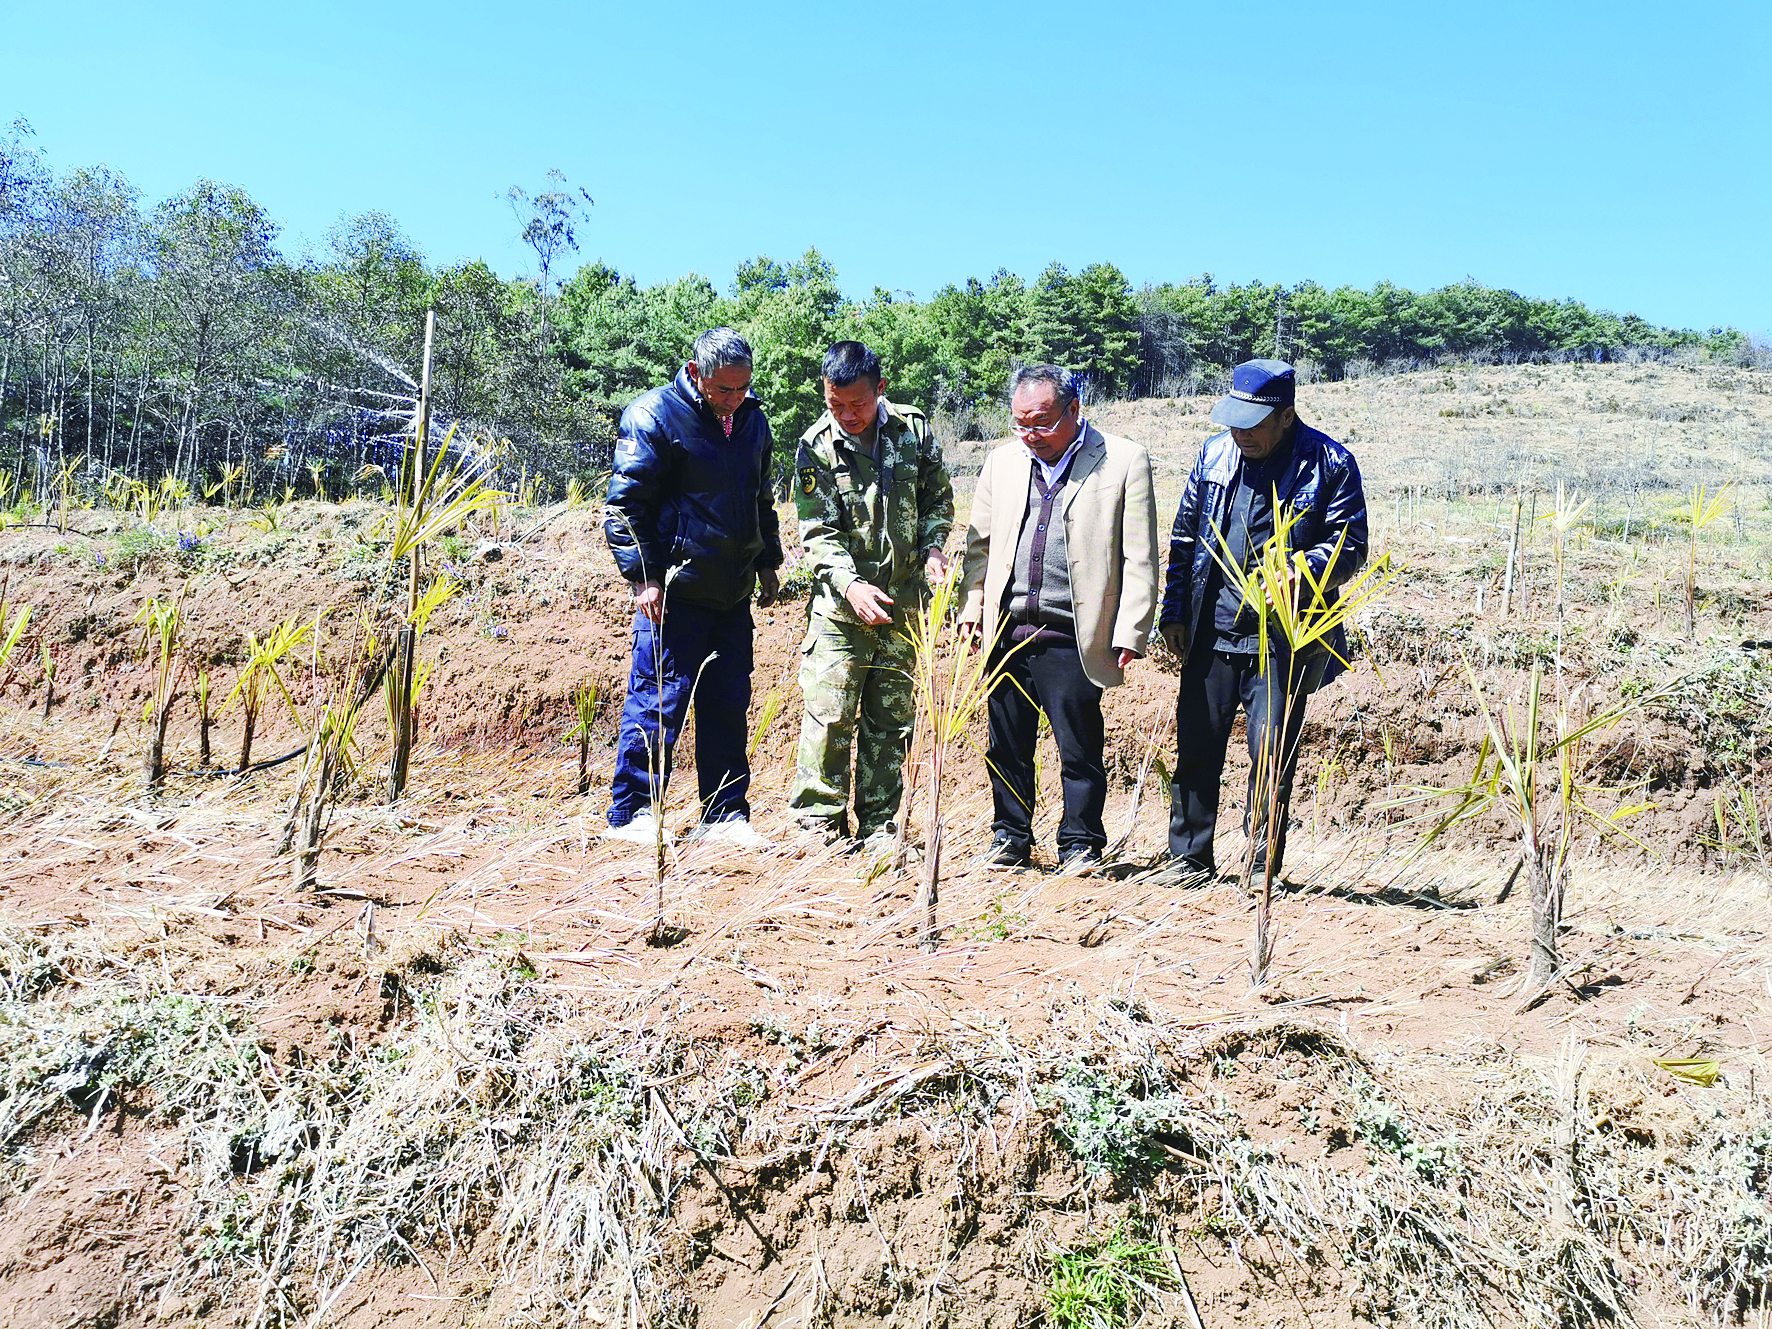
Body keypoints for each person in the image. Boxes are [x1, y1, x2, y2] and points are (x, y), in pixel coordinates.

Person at [1158, 358, 1368, 882]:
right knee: (1197, 745)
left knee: (1271, 753)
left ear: (1286, 416)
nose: (1240, 434)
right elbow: (1185, 538)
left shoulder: (1330, 463)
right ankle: (1188, 857)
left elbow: (1352, 545)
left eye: (1252, 424)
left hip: (1284, 638)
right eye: (1233, 421)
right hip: (1213, 625)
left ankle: (1260, 865)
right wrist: (1176, 609)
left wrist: (1306, 569)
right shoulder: (1213, 455)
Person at [959, 364, 1159, 870]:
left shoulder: (1123, 460)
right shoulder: (1003, 462)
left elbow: (1140, 555)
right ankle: (1009, 838)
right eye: (1021, 424)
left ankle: (1080, 844)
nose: (1031, 436)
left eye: (1042, 423)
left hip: (1071, 629)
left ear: (1074, 410)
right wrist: (972, 607)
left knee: (1078, 746)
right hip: (1006, 629)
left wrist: (1132, 628)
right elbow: (977, 548)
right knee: (1006, 744)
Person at [602, 327, 783, 847]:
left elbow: (760, 500)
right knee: (658, 701)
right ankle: (633, 812)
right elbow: (624, 507)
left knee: (728, 704)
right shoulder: (653, 416)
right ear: (697, 373)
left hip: (730, 594)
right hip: (673, 594)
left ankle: (724, 815)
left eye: (743, 387)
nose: (735, 399)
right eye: (725, 389)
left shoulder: (752, 422)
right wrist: (644, 578)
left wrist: (767, 561)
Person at [787, 341, 954, 853]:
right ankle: (819, 824)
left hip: (903, 608)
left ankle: (882, 824)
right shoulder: (815, 445)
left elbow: (937, 497)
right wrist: (849, 584)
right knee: (830, 715)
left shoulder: (914, 431)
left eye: (856, 404)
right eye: (835, 404)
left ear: (880, 390)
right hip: (840, 613)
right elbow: (816, 531)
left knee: (889, 722)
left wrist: (933, 547)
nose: (846, 415)